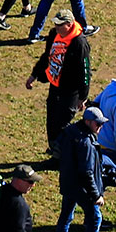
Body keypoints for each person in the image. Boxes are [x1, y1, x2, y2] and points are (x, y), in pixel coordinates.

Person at [53, 105, 116, 232]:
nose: (100, 127)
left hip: (68, 183)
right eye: (98, 124)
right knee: (95, 218)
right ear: (88, 122)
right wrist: (96, 195)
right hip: (82, 188)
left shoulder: (71, 132)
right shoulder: (86, 143)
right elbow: (87, 172)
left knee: (65, 218)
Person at [29, 12, 94, 153]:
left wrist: (83, 97)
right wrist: (34, 74)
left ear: (69, 25)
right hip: (55, 85)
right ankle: (54, 147)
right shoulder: (54, 34)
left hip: (71, 90)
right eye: (55, 24)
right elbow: (47, 56)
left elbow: (85, 72)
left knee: (63, 122)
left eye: (60, 24)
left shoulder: (79, 43)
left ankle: (62, 153)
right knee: (51, 120)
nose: (56, 27)